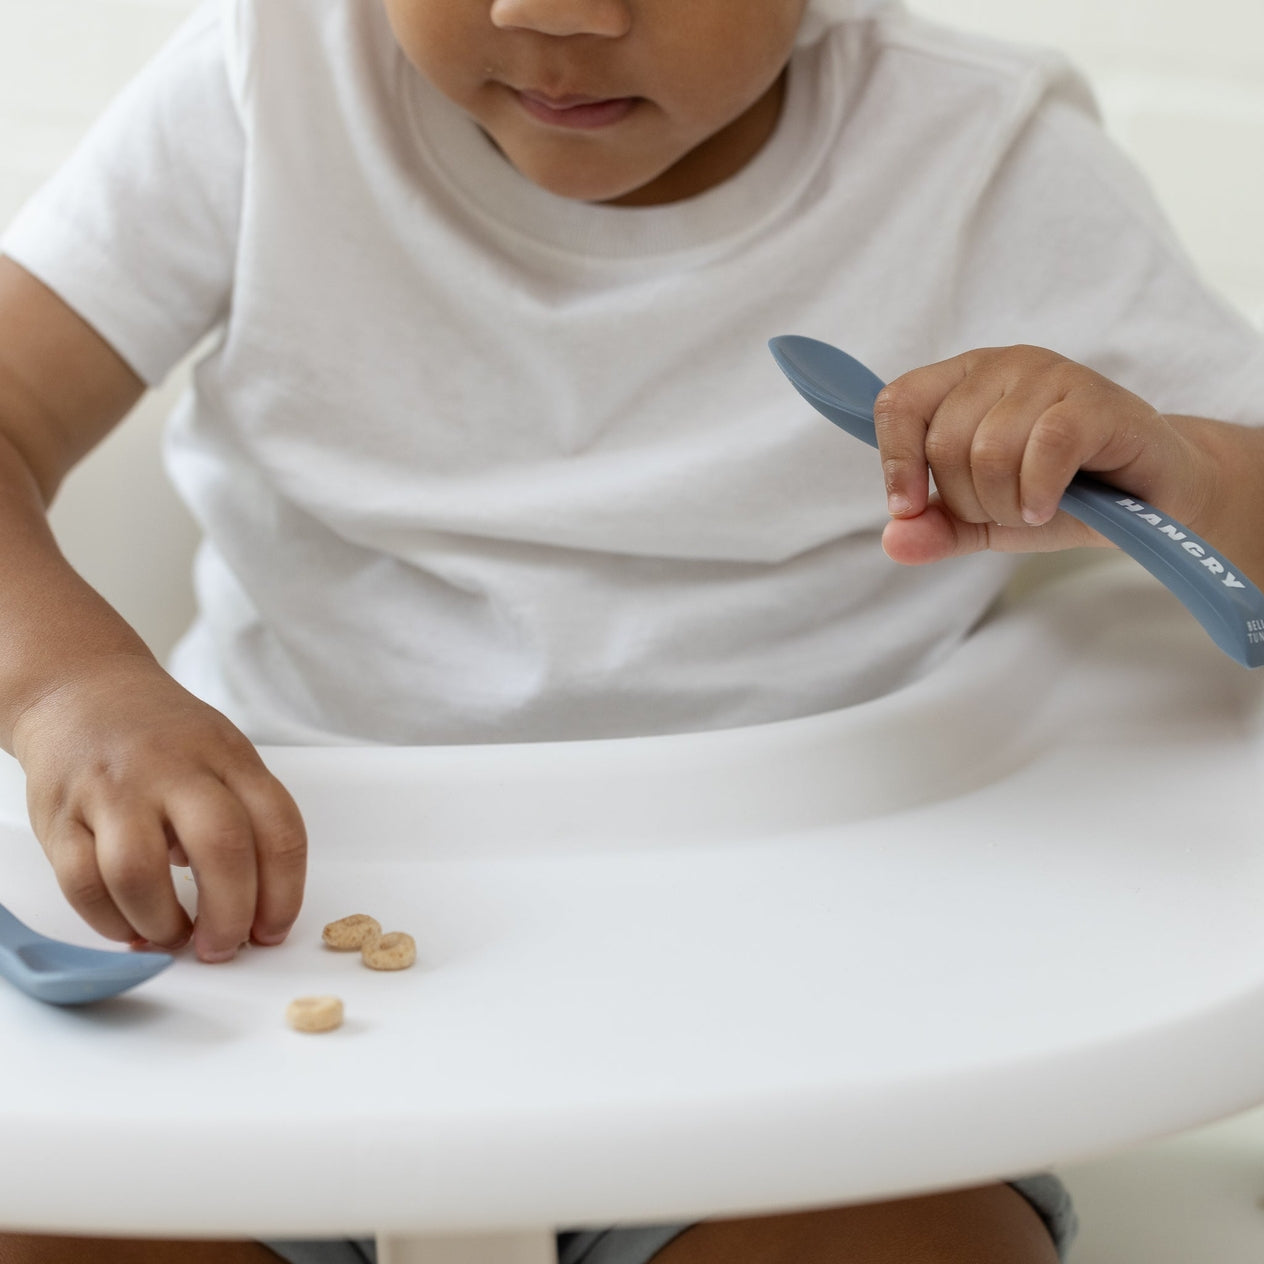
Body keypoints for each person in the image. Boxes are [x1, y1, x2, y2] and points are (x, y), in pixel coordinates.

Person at [1, 0, 1261, 1261]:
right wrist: (66, 687)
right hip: (271, 938)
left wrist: (1178, 469)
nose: (555, 13)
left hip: (809, 1000)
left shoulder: (981, 152)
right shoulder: (262, 76)